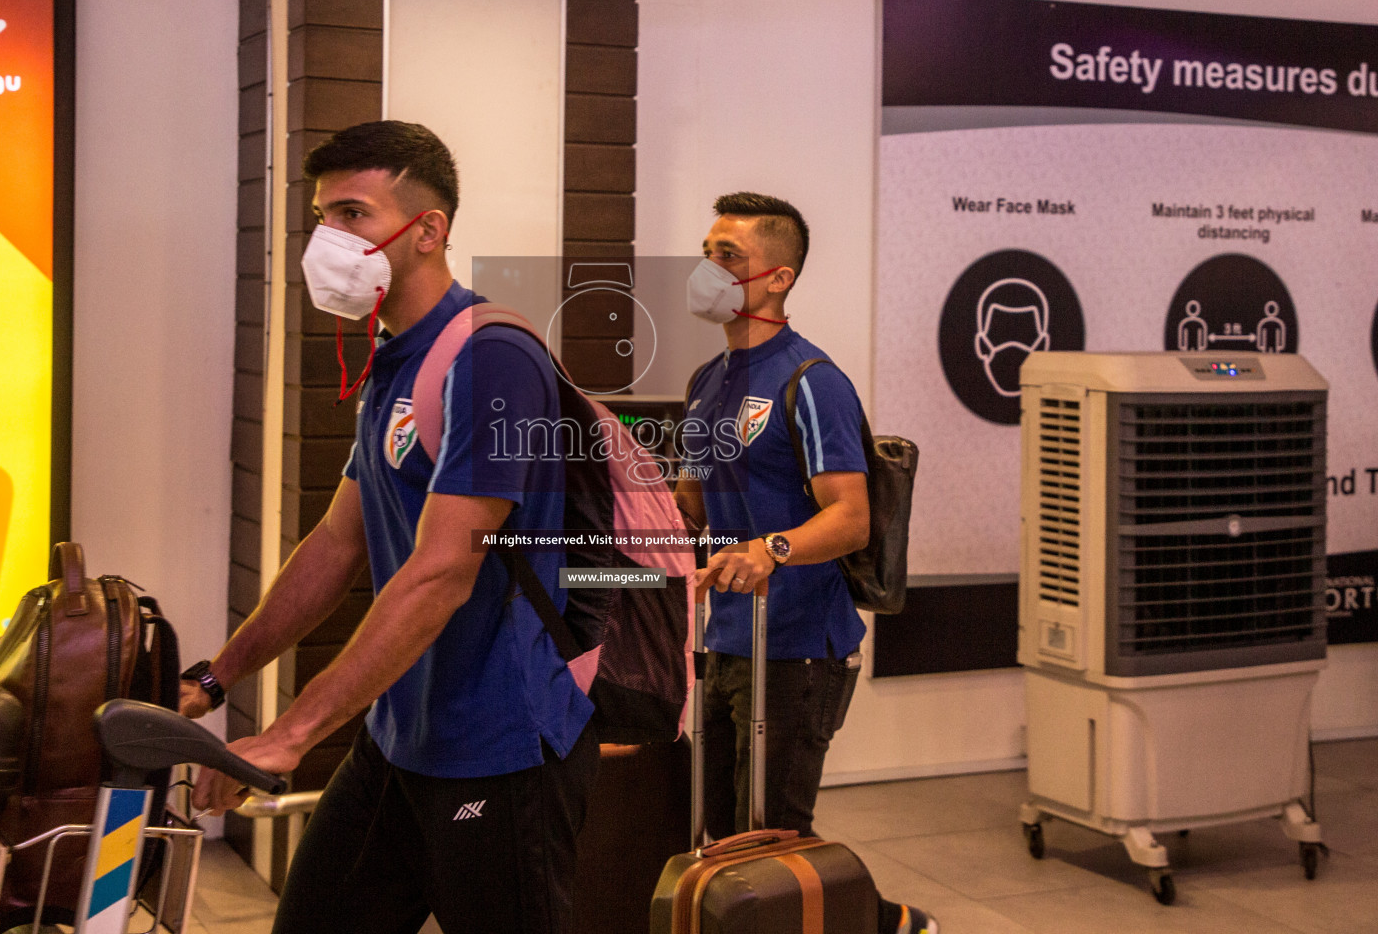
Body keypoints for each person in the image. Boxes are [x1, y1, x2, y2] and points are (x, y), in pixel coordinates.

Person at [182, 121, 597, 934]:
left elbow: (441, 573)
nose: (329, 239)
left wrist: (292, 734)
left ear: (428, 230)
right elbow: (339, 544)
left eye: (353, 214)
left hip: (499, 742)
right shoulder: (396, 355)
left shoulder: (490, 358)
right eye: (323, 217)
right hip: (400, 734)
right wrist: (215, 680)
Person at [677, 192, 939, 934]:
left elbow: (850, 519)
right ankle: (885, 923)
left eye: (728, 255)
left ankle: (884, 923)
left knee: (778, 838)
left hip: (796, 646)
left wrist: (772, 550)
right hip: (724, 638)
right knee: (726, 838)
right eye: (706, 251)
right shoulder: (707, 381)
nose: (709, 268)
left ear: (779, 277)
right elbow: (692, 506)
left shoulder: (810, 380)